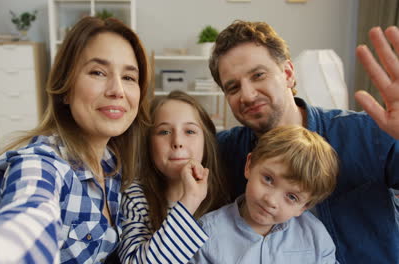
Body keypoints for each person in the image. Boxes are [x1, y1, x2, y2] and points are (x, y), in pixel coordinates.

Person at [0, 16, 150, 264]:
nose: (117, 90)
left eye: (129, 78)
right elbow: (24, 223)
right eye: (98, 72)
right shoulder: (41, 163)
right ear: (66, 89)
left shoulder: (114, 165)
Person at [209, 20, 399, 263]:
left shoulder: (364, 132)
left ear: (288, 74)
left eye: (258, 75)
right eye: (233, 87)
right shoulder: (224, 151)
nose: (247, 94)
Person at [191, 125, 339, 263]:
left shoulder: (316, 237)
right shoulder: (206, 233)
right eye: (268, 179)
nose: (271, 200)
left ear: (304, 207)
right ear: (249, 165)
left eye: (292, 197)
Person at [117, 90, 230, 263]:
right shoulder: (135, 198)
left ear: (206, 142)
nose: (177, 141)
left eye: (190, 131)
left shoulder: (225, 199)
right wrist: (189, 201)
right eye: (164, 132)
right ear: (148, 144)